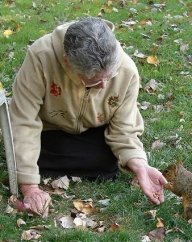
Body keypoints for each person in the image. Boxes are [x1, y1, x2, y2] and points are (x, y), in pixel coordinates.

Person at [9, 17, 167, 217]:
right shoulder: (41, 56)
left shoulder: (127, 70)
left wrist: (141, 166)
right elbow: (24, 120)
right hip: (49, 130)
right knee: (25, 151)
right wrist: (30, 187)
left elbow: (124, 130)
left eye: (109, 78)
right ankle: (34, 163)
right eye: (94, 81)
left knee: (106, 164)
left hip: (93, 132)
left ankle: (46, 162)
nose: (103, 86)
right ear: (68, 62)